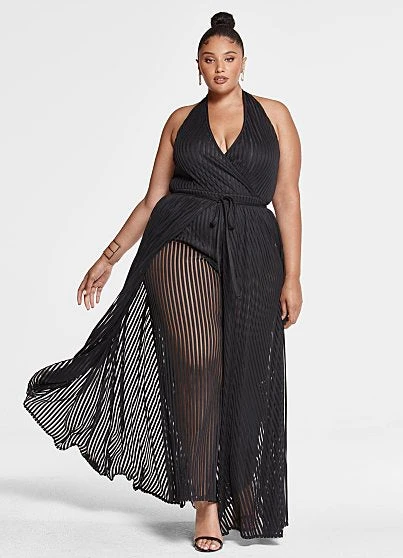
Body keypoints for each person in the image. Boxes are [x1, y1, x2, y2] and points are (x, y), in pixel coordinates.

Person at [23, 11, 302, 553]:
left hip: (253, 247)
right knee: (198, 367)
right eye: (209, 59)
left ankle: (244, 490)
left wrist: (293, 276)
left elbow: (287, 197)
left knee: (248, 367)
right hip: (181, 240)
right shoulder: (179, 121)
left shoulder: (276, 115)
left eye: (229, 58)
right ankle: (205, 502)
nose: (219, 68)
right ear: (197, 66)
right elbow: (154, 199)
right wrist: (109, 256)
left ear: (244, 63)